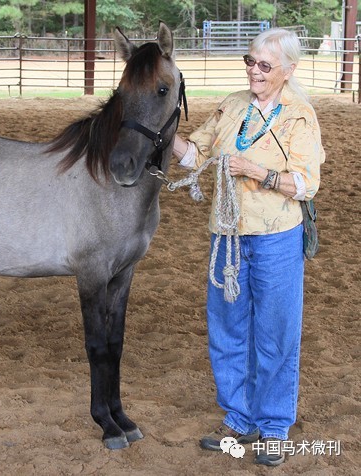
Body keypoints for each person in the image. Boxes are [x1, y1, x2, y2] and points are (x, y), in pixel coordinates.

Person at [172, 28, 325, 466]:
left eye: (264, 65)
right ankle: (238, 418)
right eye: (250, 61)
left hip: (277, 238)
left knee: (276, 334)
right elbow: (196, 153)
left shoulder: (300, 116)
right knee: (227, 329)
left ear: (288, 70)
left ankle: (274, 426)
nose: (253, 71)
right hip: (227, 236)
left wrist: (257, 171)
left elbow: (306, 183)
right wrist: (166, 137)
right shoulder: (233, 104)